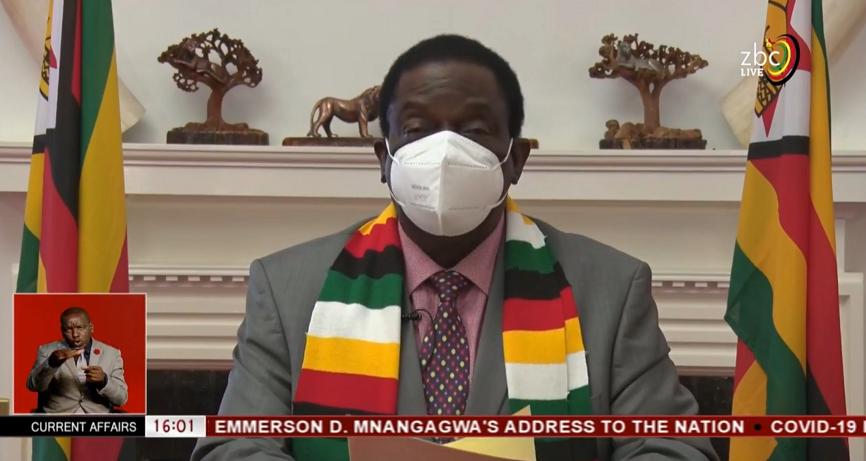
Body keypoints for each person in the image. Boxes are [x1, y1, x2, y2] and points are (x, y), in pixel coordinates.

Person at [193, 34, 718, 461]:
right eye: (417, 130)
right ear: (384, 159)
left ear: (516, 160)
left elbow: (673, 447)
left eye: (474, 130)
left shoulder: (611, 287)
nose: (444, 152)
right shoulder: (287, 289)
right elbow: (235, 447)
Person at [26, 306, 128, 414]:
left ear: (91, 327)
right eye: (68, 329)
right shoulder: (47, 351)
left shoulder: (111, 354)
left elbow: (121, 399)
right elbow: (33, 386)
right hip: (59, 418)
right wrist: (51, 364)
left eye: (80, 328)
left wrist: (104, 382)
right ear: (62, 331)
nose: (75, 334)